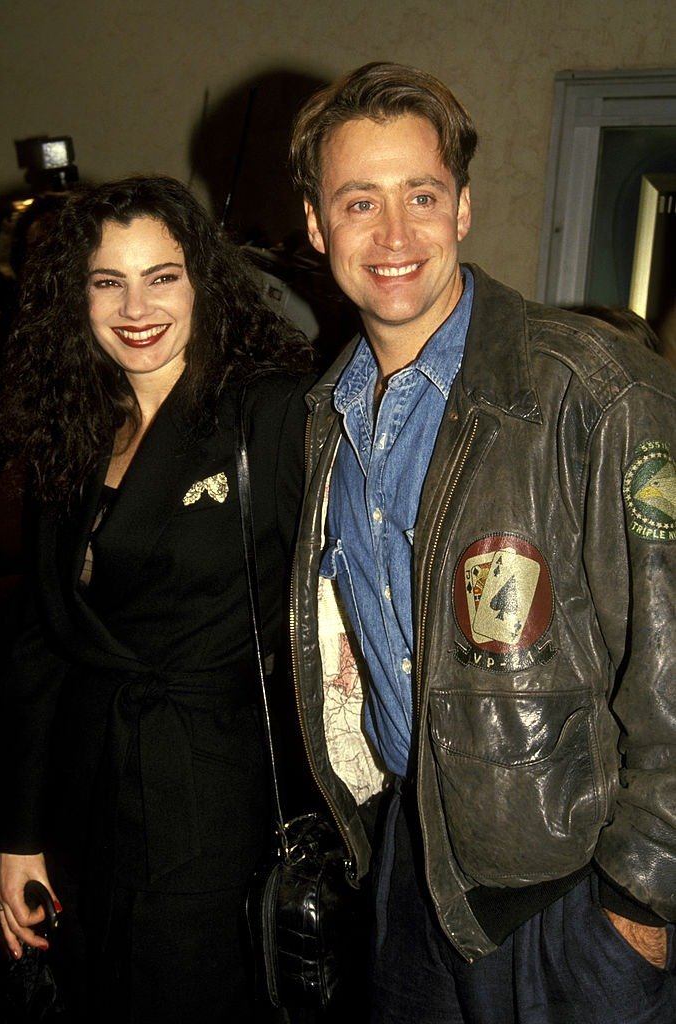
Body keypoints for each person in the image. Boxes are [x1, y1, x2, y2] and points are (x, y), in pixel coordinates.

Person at [286, 61, 676, 1023]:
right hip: (408, 867)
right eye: (357, 202)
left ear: (461, 208)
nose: (393, 235)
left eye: (420, 195)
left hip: (568, 897)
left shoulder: (593, 391)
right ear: (313, 225)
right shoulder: (323, 418)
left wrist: (637, 909)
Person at [0, 174, 315, 1023]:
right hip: (84, 798)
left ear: (203, 281)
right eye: (107, 280)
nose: (136, 305)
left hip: (212, 799)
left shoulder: (267, 414)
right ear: (75, 296)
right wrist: (17, 837)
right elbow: (40, 645)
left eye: (162, 275)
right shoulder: (75, 424)